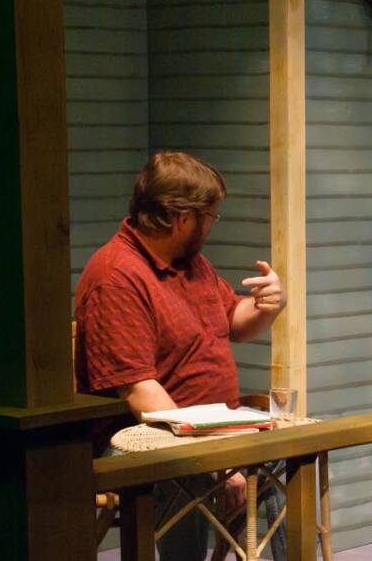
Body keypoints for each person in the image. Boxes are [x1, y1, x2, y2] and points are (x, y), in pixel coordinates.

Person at [74, 151, 287, 561]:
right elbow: (140, 394)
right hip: (138, 436)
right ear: (182, 218)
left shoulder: (191, 263)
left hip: (211, 425)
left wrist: (268, 304)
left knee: (278, 453)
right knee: (179, 470)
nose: (213, 224)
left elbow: (234, 321)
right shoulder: (117, 277)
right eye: (212, 215)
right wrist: (212, 459)